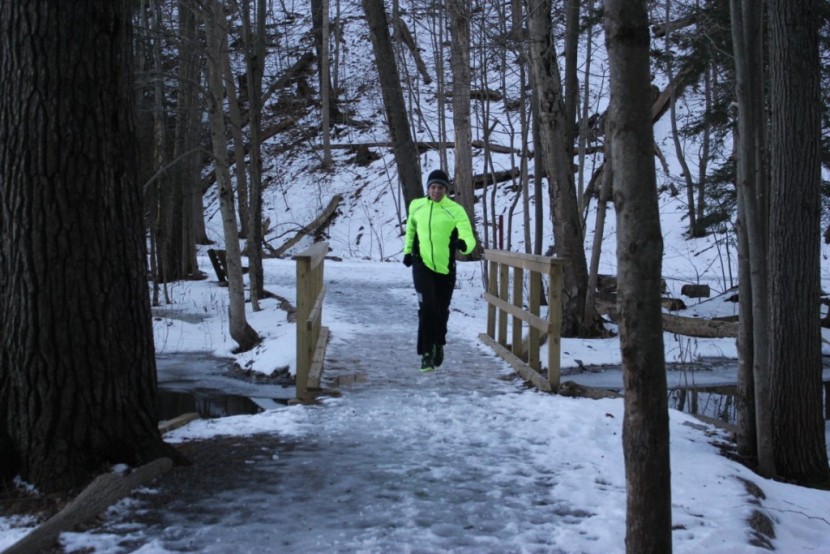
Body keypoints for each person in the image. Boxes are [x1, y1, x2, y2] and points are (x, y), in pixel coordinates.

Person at [403, 169, 476, 372]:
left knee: (440, 310)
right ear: (428, 188)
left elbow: (468, 235)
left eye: (441, 188)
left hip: (445, 269)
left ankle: (438, 343)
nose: (436, 191)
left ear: (446, 190)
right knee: (426, 308)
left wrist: (464, 244)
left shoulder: (455, 210)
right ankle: (426, 353)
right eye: (433, 187)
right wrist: (408, 252)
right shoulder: (417, 206)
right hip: (421, 265)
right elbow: (411, 230)